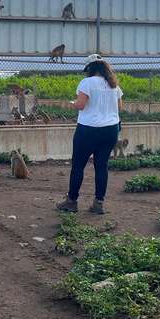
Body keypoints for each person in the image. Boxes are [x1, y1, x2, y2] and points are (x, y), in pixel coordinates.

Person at [56, 54, 123, 215]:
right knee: (101, 166)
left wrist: (72, 103)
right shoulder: (114, 85)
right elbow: (119, 108)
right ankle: (98, 203)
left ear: (90, 68)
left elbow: (80, 105)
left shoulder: (87, 83)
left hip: (88, 130)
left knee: (78, 166)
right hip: (110, 130)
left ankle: (71, 201)